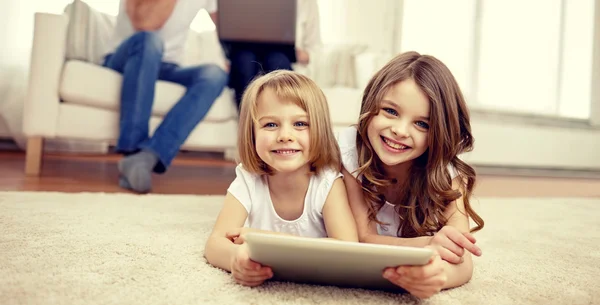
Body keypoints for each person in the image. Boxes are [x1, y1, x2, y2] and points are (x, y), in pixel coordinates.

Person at [336, 51, 485, 299]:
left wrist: (436, 276)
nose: (400, 131)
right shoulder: (351, 152)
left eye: (422, 124)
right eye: (390, 111)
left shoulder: (445, 172)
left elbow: (464, 262)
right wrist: (428, 245)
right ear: (370, 105)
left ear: (439, 132)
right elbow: (361, 239)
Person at [204, 70, 358, 287]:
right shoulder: (249, 179)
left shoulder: (328, 182)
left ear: (321, 131)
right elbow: (215, 244)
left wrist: (267, 239)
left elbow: (348, 248)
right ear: (252, 134)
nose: (285, 135)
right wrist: (235, 259)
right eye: (270, 125)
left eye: (300, 124)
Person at [101, 0, 228, 193]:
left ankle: (147, 156)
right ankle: (132, 149)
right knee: (150, 40)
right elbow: (144, 23)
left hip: (168, 66)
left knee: (214, 74)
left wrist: (232, 56)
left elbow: (225, 26)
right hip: (129, 57)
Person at [227, 0, 322, 109]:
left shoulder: (307, 3)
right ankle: (249, 123)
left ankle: (279, 119)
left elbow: (315, 50)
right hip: (245, 52)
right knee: (244, 61)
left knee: (276, 61)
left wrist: (299, 54)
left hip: (283, 54)